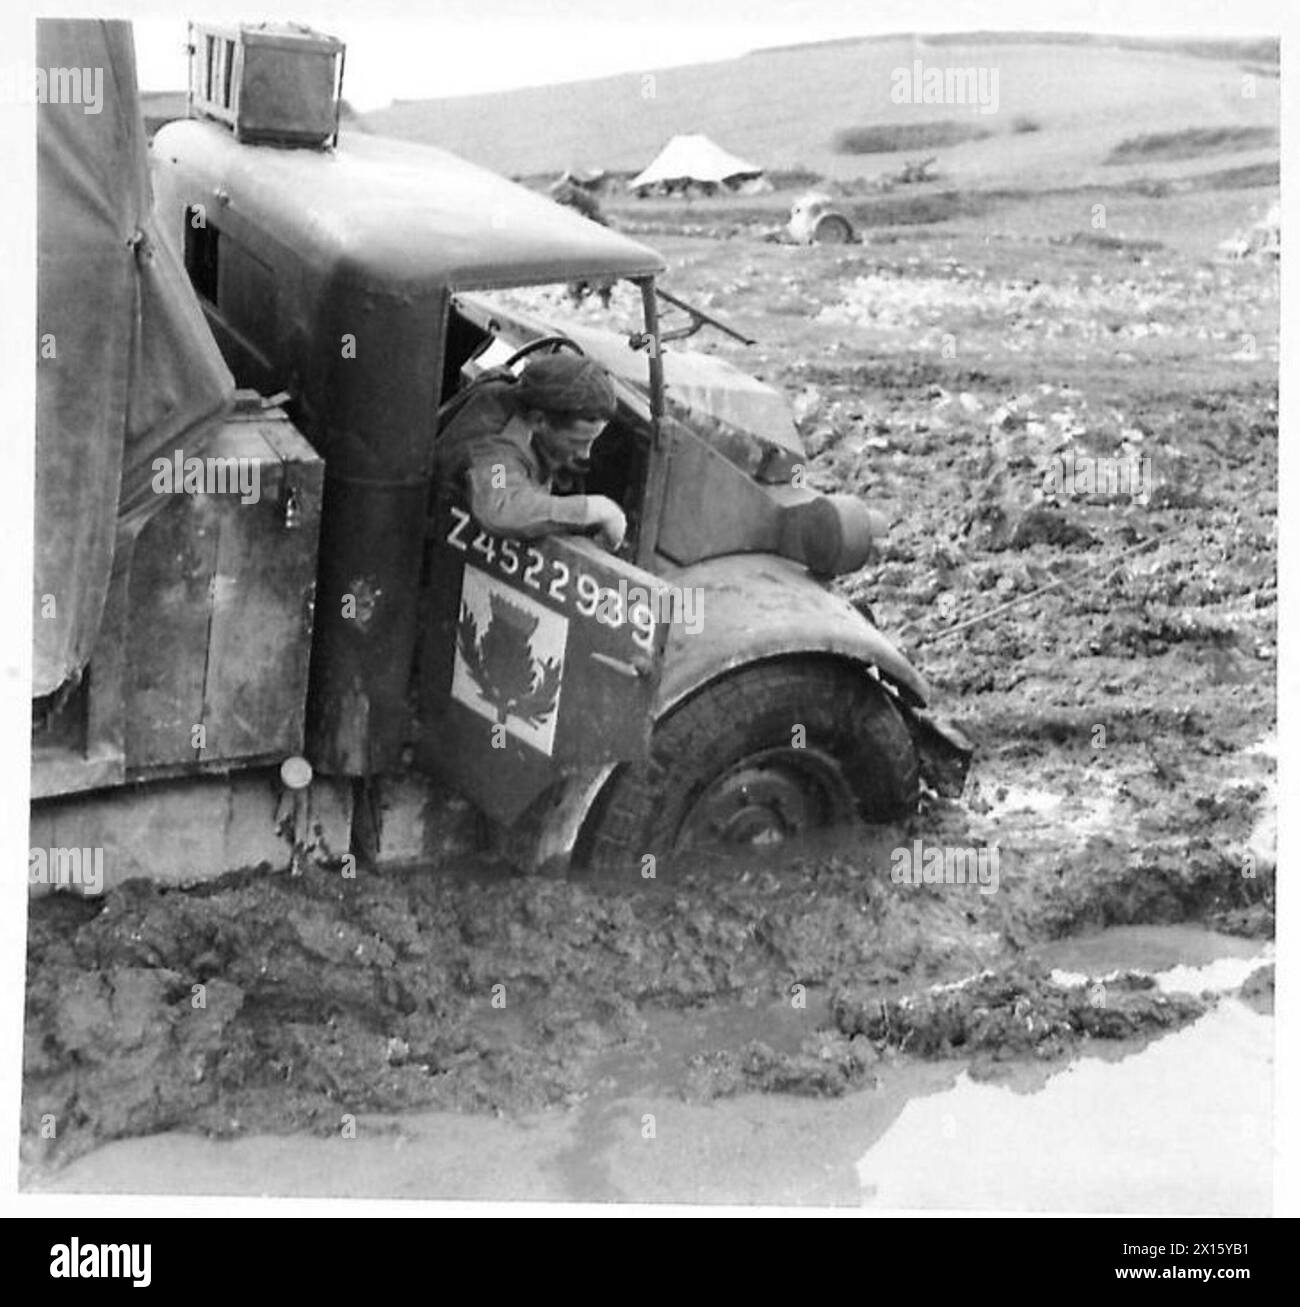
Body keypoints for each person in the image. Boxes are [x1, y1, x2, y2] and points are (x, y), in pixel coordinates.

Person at [434, 354, 627, 551]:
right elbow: (502, 506)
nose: (585, 454)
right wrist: (593, 510)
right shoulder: (496, 458)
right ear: (538, 420)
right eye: (576, 441)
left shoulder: (519, 401)